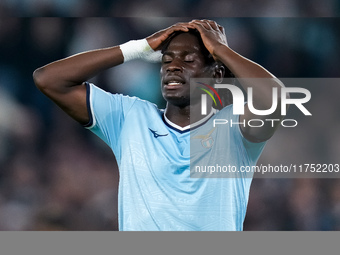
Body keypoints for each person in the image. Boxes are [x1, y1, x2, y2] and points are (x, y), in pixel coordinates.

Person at [33, 19, 285, 231]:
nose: (174, 67)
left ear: (217, 74)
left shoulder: (234, 127)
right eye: (167, 61)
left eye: (188, 60)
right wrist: (137, 49)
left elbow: (277, 98)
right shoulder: (130, 116)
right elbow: (49, 79)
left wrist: (220, 50)